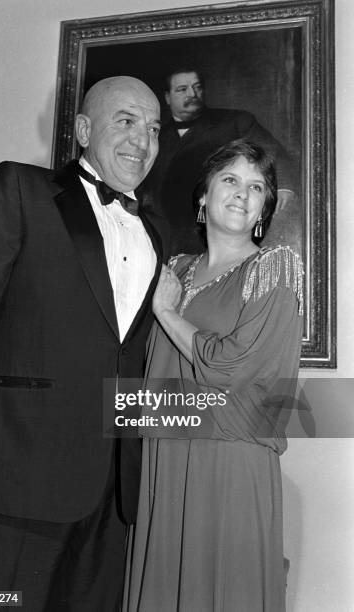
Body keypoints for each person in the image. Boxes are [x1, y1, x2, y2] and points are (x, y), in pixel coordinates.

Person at [0, 76, 169, 611]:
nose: (143, 139)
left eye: (155, 128)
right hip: (18, 470)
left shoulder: (157, 233)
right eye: (126, 120)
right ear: (83, 130)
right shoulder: (21, 188)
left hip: (114, 488)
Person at [123, 140, 303, 611]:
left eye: (257, 186)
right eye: (230, 179)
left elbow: (232, 367)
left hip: (229, 465)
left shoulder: (275, 268)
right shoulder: (174, 270)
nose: (243, 193)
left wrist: (166, 312)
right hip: (165, 459)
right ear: (203, 195)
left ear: (265, 205)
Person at [144, 67, 301, 254]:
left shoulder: (234, 122)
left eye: (197, 87)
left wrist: (283, 186)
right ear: (167, 97)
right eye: (182, 89)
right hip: (169, 235)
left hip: (220, 230)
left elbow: (272, 151)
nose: (192, 94)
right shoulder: (157, 136)